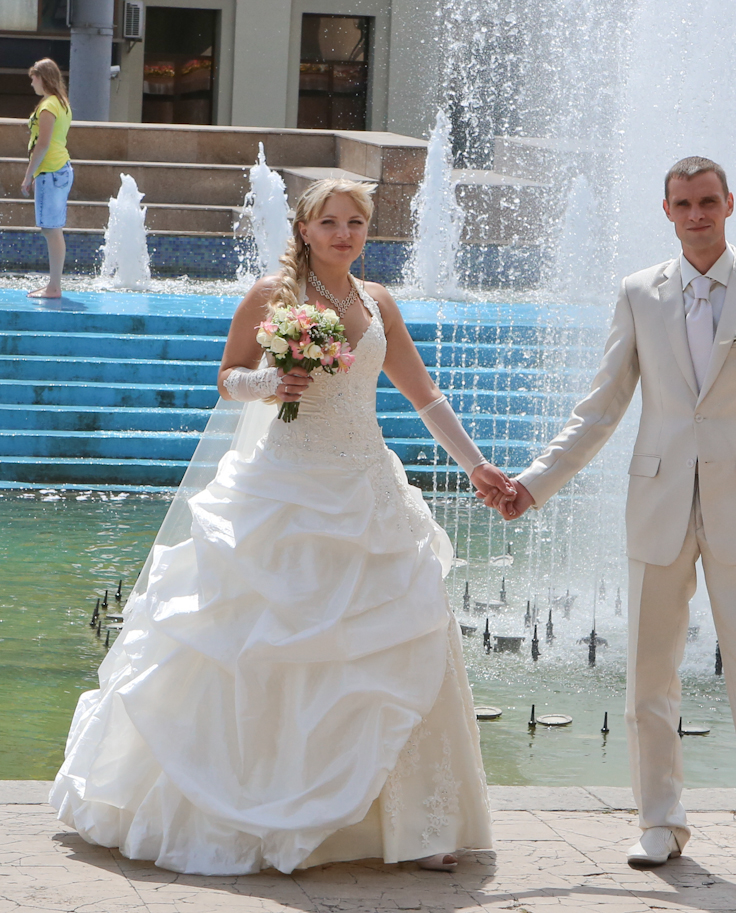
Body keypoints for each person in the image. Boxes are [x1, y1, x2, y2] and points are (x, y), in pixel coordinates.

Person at [50, 178, 515, 876]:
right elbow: (228, 376)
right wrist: (269, 385)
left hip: (367, 491)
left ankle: (414, 824)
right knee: (265, 644)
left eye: (356, 222)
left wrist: (477, 466)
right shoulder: (274, 296)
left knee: (394, 645)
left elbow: (425, 396)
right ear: (304, 228)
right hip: (284, 490)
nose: (343, 233)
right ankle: (268, 809)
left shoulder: (378, 301)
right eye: (329, 222)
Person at [490, 157, 736, 894]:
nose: (698, 215)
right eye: (684, 204)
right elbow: (599, 410)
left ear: (730, 204)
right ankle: (659, 823)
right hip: (656, 504)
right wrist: (533, 486)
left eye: (709, 202)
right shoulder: (638, 294)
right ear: (666, 210)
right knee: (648, 676)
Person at [21, 58, 73, 299]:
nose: (31, 82)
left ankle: (54, 287)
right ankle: (54, 284)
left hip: (50, 171)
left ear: (43, 77)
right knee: (53, 229)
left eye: (34, 77)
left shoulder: (48, 106)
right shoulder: (60, 103)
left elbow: (42, 144)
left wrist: (27, 176)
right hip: (59, 169)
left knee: (51, 230)